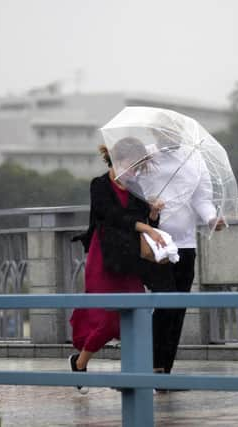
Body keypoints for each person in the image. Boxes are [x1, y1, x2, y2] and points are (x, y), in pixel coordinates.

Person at [69, 137, 165, 394]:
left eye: (140, 166)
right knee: (110, 318)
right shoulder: (99, 185)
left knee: (138, 313)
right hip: (104, 259)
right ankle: (80, 362)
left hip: (129, 261)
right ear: (119, 160)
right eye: (134, 165)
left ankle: (135, 374)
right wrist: (144, 224)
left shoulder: (136, 188)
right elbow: (112, 216)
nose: (136, 171)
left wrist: (153, 215)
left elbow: (146, 225)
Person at [141, 128, 225, 383]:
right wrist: (149, 204)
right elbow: (131, 193)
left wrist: (211, 218)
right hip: (155, 242)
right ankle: (150, 367)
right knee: (164, 306)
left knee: (177, 308)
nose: (170, 136)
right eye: (164, 131)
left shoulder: (193, 157)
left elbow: (202, 197)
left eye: (174, 131)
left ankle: (164, 371)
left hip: (186, 244)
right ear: (155, 132)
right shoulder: (146, 156)